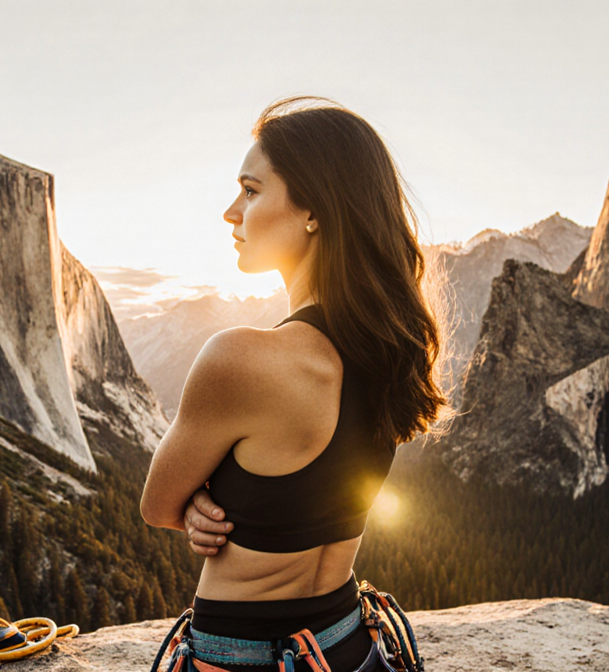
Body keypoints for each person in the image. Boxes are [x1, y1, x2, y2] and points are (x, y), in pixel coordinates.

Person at [140, 96, 451, 672]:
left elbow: (157, 503)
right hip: (351, 646)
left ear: (314, 211)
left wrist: (192, 507)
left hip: (242, 657)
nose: (232, 212)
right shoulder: (391, 351)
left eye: (251, 190)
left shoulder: (240, 359)